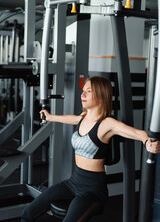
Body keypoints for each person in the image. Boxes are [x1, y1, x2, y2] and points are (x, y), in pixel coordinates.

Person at [21, 76, 160, 222]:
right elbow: (71, 119)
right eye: (83, 90)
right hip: (73, 182)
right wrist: (50, 117)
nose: (83, 94)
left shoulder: (107, 124)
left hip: (93, 190)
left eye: (89, 91)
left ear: (101, 95)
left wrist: (148, 142)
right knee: (28, 212)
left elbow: (138, 133)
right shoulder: (83, 118)